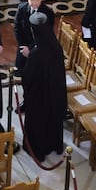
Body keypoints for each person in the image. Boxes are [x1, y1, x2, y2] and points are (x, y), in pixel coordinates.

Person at [16, 12, 66, 167]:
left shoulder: (36, 54)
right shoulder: (55, 46)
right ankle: (54, 145)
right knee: (52, 121)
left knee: (38, 123)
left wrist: (28, 56)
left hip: (39, 97)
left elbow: (29, 76)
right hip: (54, 95)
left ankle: (38, 150)